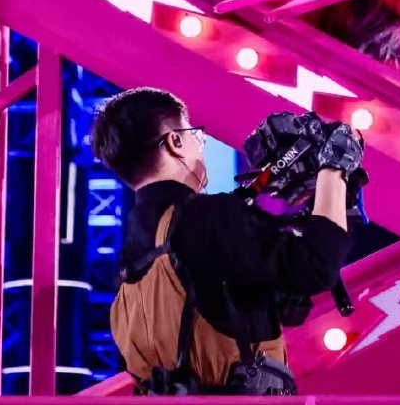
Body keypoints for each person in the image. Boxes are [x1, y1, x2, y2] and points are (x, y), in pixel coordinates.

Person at [91, 88, 359, 394]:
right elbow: (316, 266)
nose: (200, 145)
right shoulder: (207, 218)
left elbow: (280, 304)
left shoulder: (131, 257)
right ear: (175, 141)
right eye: (195, 135)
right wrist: (335, 166)